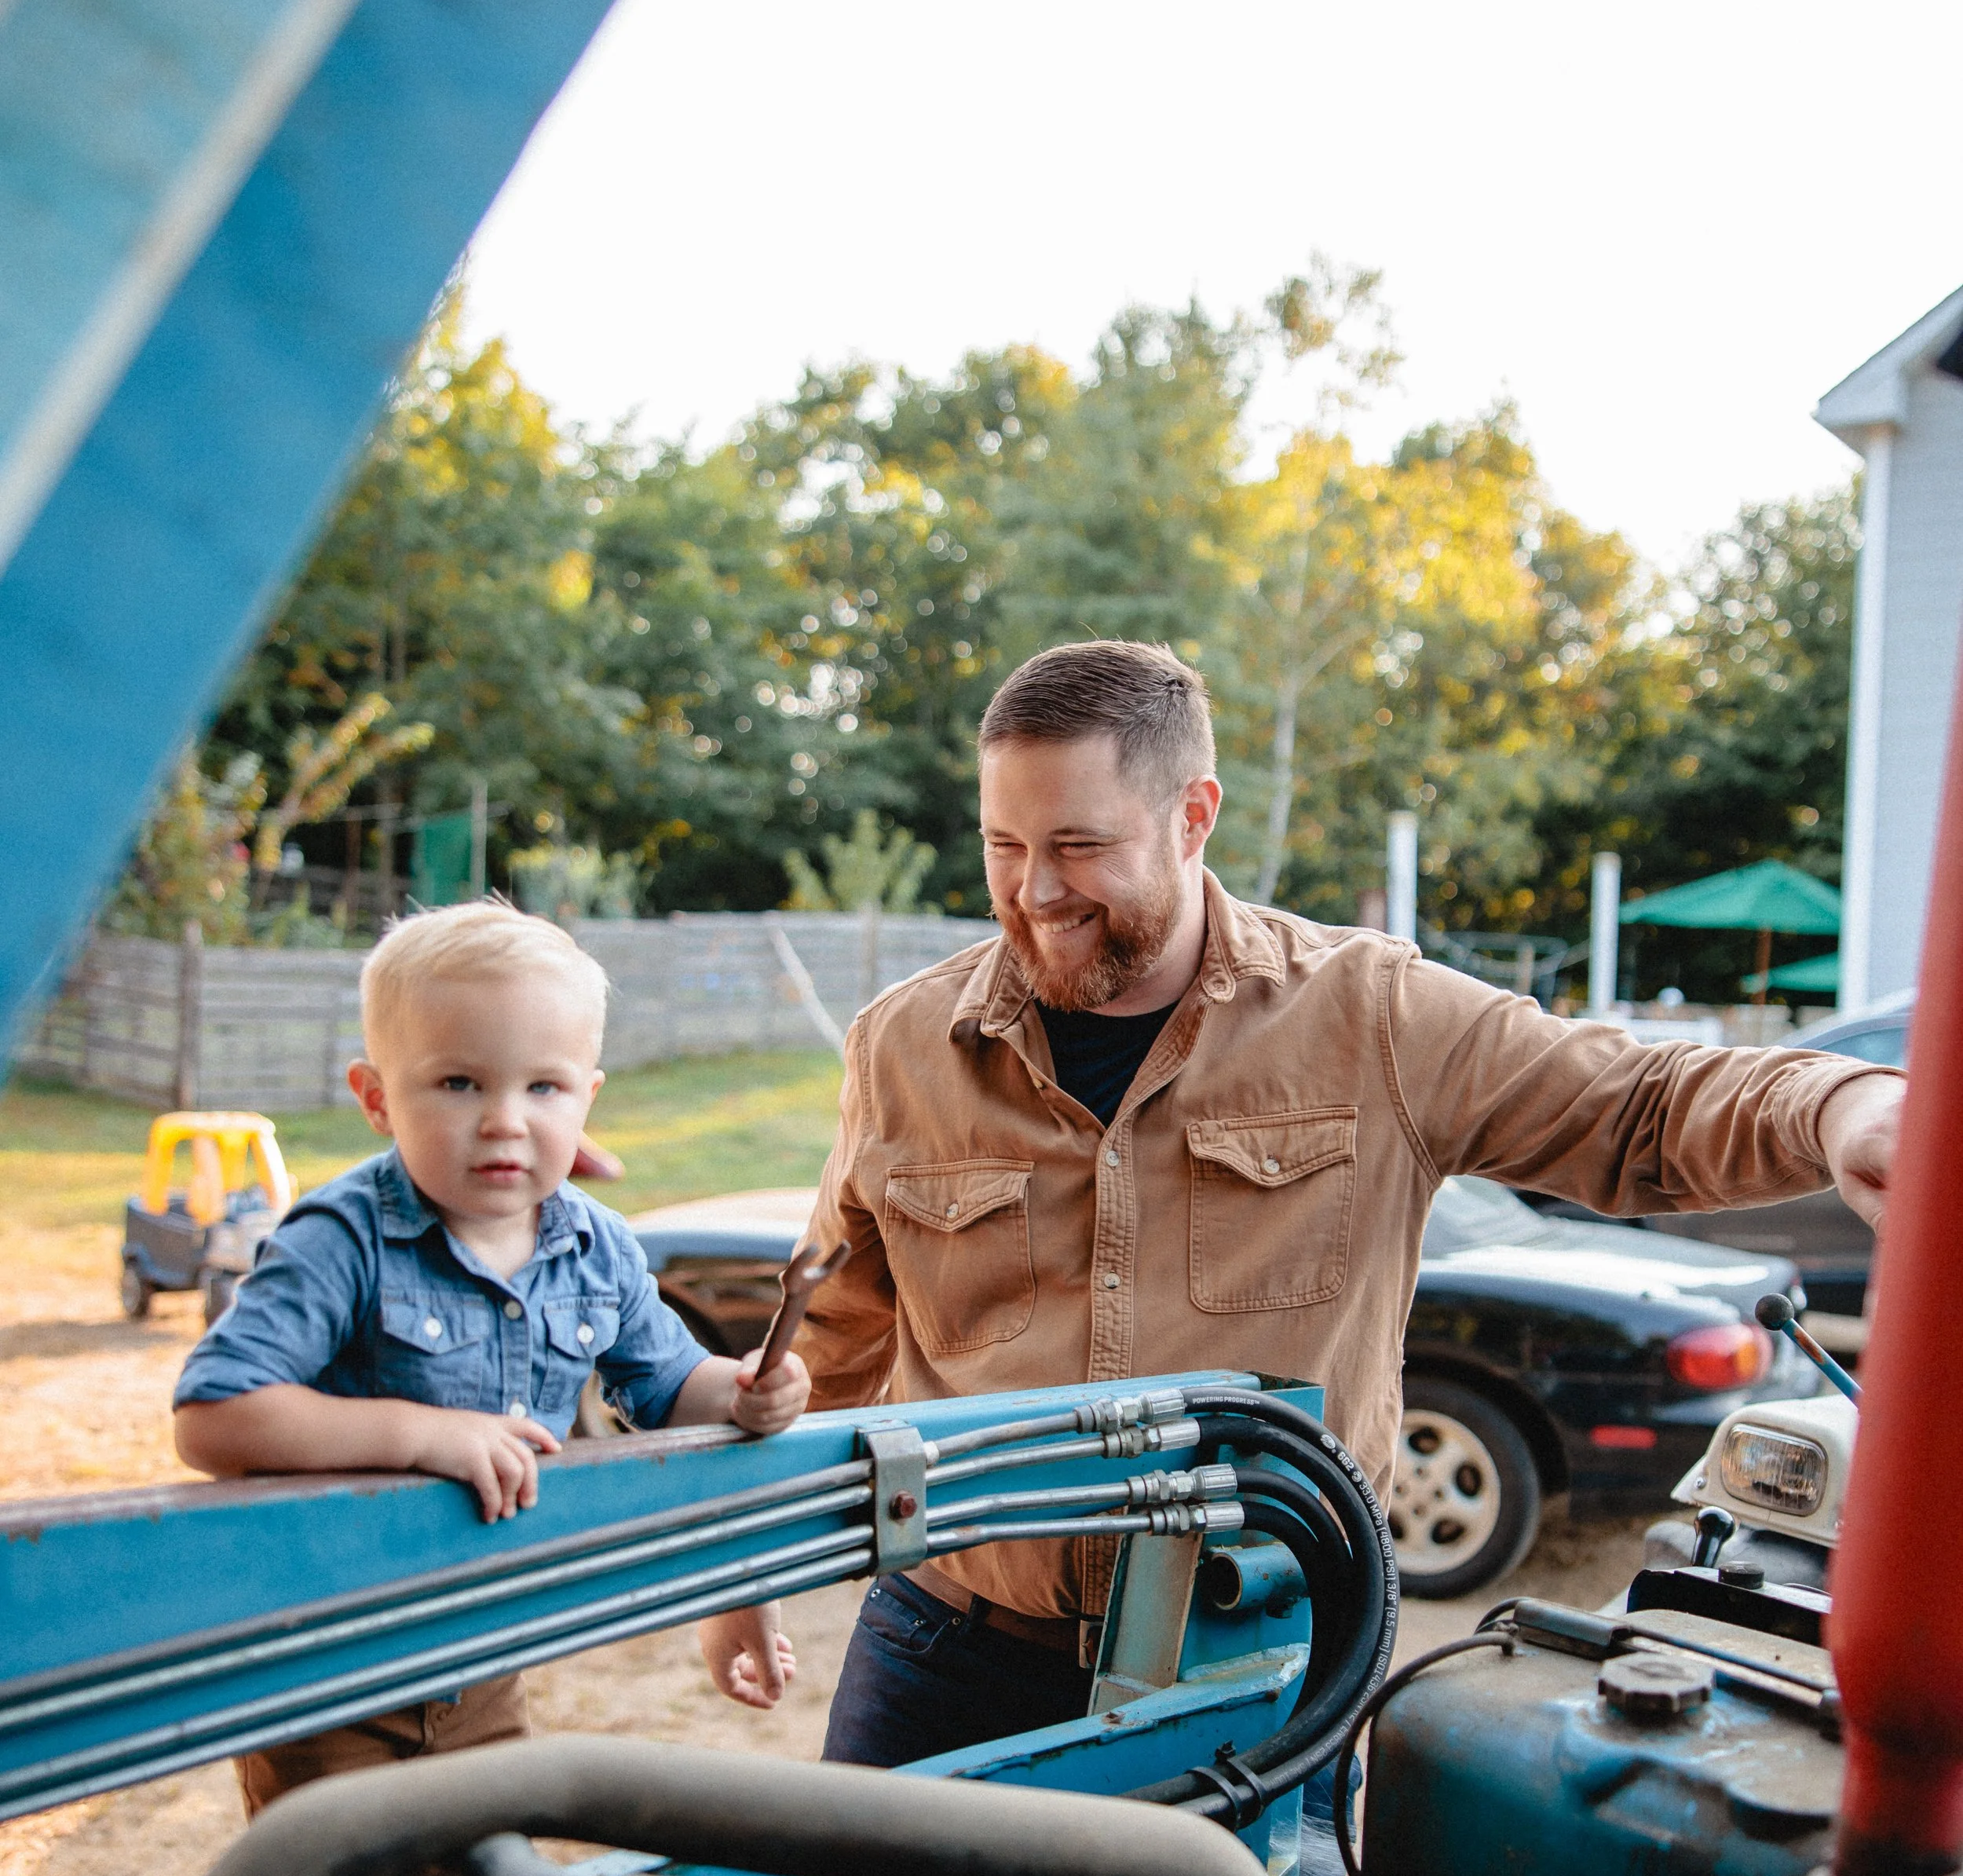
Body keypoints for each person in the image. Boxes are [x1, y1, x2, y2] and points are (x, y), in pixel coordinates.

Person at [788, 638, 1903, 1773]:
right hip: (947, 1648)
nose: (1035, 890)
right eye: (1005, 845)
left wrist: (1841, 1104)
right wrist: (753, 1563)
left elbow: (1640, 1106)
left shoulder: (1370, 1016)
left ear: (1192, 816)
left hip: (1255, 1664)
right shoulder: (903, 1047)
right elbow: (828, 1331)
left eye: (1080, 845)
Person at [174, 901, 810, 1812]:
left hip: (485, 1656)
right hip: (325, 1669)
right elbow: (213, 1415)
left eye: (542, 1088)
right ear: (376, 1096)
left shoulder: (598, 1247)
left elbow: (675, 1388)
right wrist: (422, 1435)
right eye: (460, 1084)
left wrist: (750, 1391)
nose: (505, 1121)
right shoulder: (340, 1240)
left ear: (587, 1096)